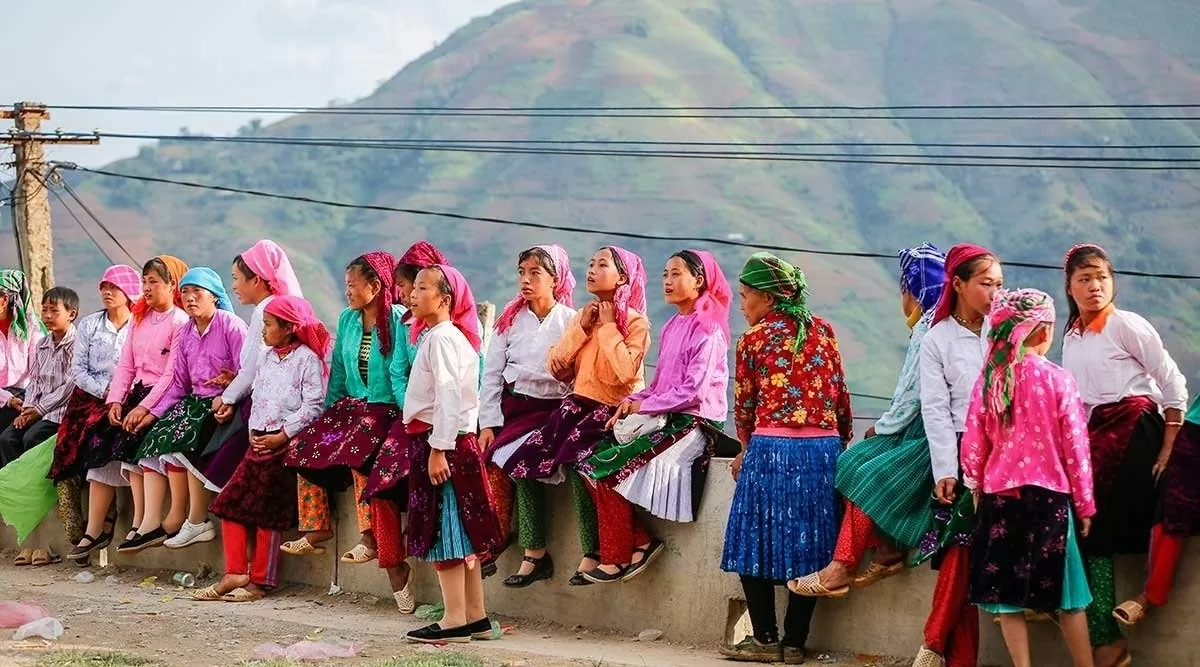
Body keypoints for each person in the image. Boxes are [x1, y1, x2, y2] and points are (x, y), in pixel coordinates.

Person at [719, 252, 853, 665]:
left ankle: (764, 640)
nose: (742, 306)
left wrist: (745, 447)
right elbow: (841, 398)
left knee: (751, 543)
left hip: (771, 451)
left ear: (768, 297)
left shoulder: (754, 340)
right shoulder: (824, 331)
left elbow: (744, 404)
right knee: (811, 546)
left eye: (745, 297)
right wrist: (839, 442)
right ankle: (795, 642)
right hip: (822, 452)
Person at [1060, 244, 1188, 667]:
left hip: (1135, 432)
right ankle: (1102, 636)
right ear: (1070, 287)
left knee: (1092, 528)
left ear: (1112, 281)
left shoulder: (1127, 325)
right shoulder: (1071, 336)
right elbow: (1073, 402)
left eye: (1101, 276)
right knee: (1072, 519)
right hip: (1093, 437)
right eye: (1084, 278)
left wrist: (1169, 445)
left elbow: (1171, 382)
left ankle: (1107, 642)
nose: (1095, 286)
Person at [961, 289, 1095, 667]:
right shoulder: (1058, 379)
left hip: (1000, 497)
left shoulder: (990, 379)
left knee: (1005, 594)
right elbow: (1076, 449)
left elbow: (974, 441)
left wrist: (974, 485)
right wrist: (1084, 504)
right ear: (1041, 331)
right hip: (1051, 499)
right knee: (1069, 594)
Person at [502, 246, 648, 586]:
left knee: (583, 463)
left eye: (602, 265)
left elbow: (626, 373)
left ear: (623, 278)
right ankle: (542, 551)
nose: (592, 270)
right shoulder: (584, 316)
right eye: (590, 263)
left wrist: (611, 328)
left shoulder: (636, 323)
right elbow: (556, 366)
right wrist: (583, 328)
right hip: (577, 406)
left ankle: (619, 545)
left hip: (610, 411)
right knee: (525, 460)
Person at [582, 249, 731, 583]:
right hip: (667, 414)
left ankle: (617, 556)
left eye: (676, 274)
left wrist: (644, 406)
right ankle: (639, 543)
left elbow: (693, 391)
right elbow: (661, 384)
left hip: (695, 422)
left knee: (607, 468)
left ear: (699, 280)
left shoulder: (709, 330)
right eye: (665, 274)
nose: (667, 281)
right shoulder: (673, 325)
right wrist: (633, 400)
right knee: (589, 463)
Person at [806, 244, 946, 594]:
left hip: (930, 433)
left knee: (867, 473)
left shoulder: (930, 330)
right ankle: (886, 549)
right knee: (853, 461)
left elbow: (912, 394)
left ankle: (841, 568)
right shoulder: (930, 326)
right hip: (917, 426)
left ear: (913, 293)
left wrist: (883, 427)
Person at [197, 296, 329, 602]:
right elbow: (259, 395)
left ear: (288, 328)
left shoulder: (306, 359)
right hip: (257, 443)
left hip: (282, 446)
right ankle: (234, 572)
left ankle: (260, 581)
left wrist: (282, 435)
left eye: (269, 325)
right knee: (229, 504)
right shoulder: (267, 356)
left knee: (268, 515)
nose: (263, 331)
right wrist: (255, 431)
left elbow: (312, 406)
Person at [909, 244, 1003, 667]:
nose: (994, 293)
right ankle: (953, 654)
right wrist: (946, 470)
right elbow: (935, 408)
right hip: (965, 453)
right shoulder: (938, 339)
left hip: (1008, 451)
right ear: (959, 284)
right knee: (959, 548)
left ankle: (934, 642)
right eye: (986, 284)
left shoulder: (1005, 330)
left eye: (999, 285)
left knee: (967, 552)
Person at [404, 264, 502, 644]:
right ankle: (475, 616)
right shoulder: (450, 338)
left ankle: (454, 619)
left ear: (444, 300)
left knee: (444, 531)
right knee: (464, 532)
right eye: (413, 287)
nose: (413, 294)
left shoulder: (441, 339)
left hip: (442, 443)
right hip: (456, 442)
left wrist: (438, 449)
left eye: (423, 287)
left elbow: (447, 396)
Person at [283, 252, 403, 563]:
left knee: (358, 453)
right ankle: (315, 526)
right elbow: (338, 372)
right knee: (304, 445)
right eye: (345, 285)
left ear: (375, 286)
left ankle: (369, 536)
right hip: (353, 406)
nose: (347, 291)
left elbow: (403, 372)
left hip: (385, 407)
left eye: (352, 285)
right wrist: (327, 416)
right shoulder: (348, 320)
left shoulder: (398, 320)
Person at [476, 245, 576, 588]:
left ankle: (533, 553)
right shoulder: (510, 318)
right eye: (522, 272)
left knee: (519, 461)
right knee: (489, 460)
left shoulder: (571, 321)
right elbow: (492, 372)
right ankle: (494, 539)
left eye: (536, 273)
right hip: (513, 408)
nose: (526, 280)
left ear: (555, 279)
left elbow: (577, 377)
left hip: (551, 412)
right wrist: (488, 423)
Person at [358, 240, 449, 614]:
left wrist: (430, 417)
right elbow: (398, 369)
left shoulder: (453, 333)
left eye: (415, 288)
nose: (406, 295)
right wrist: (408, 407)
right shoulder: (408, 327)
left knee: (437, 491)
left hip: (445, 425)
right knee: (380, 485)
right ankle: (395, 566)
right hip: (410, 419)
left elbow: (463, 385)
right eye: (406, 288)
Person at [130, 268, 248, 551]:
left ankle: (193, 520)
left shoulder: (231, 326)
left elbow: (247, 372)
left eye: (198, 292)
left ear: (215, 297)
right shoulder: (185, 332)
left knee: (184, 438)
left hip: (227, 401)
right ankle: (175, 520)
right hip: (196, 400)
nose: (190, 298)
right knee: (158, 437)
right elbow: (178, 383)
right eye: (185, 292)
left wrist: (229, 392)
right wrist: (152, 413)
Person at [80, 255, 189, 554]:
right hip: (137, 394)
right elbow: (126, 365)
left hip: (165, 396)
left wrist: (146, 408)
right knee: (105, 438)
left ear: (172, 285)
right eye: (144, 282)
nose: (147, 288)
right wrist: (116, 401)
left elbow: (172, 373)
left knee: (143, 439)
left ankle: (148, 522)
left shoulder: (179, 321)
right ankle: (132, 523)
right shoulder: (139, 318)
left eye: (154, 281)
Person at [51, 265, 139, 557]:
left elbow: (142, 367)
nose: (106, 292)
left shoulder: (139, 324)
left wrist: (121, 395)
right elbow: (79, 371)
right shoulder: (89, 325)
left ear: (128, 292)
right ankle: (80, 529)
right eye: (103, 287)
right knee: (66, 449)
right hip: (90, 396)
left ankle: (104, 524)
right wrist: (106, 392)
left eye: (113, 287)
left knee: (107, 435)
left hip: (130, 396)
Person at [211, 239, 305, 459]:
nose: (233, 286)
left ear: (255, 280)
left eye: (236, 278)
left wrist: (226, 399)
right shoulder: (277, 307)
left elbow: (253, 368)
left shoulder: (265, 310)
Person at [0, 287, 80, 468]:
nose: (48, 316)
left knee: (31, 438)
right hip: (36, 407)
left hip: (60, 411)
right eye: (44, 310)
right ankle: (15, 487)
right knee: (7, 439)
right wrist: (28, 408)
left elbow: (70, 385)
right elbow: (35, 380)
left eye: (54, 311)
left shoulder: (77, 343)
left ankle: (38, 488)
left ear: (71, 314)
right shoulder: (43, 344)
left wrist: (38, 410)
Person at [0, 269, 45, 433]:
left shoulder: (33, 329)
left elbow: (38, 373)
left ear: (5, 300)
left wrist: (26, 402)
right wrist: (7, 399)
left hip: (25, 395)